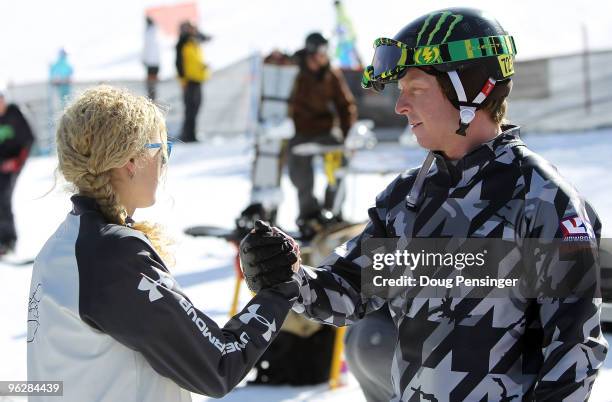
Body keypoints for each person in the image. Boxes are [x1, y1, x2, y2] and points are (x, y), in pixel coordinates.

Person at [240, 8, 608, 401]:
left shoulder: (542, 199)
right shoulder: (406, 199)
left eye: (415, 90)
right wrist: (287, 275)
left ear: (471, 89)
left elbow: (574, 352)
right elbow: (351, 292)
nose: (401, 106)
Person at [27, 85, 299, 401]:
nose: (163, 164)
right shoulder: (111, 256)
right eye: (162, 150)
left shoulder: (61, 247)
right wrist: (279, 289)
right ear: (130, 160)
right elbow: (219, 364)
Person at [288, 32, 357, 236]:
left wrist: (347, 135)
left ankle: (332, 211)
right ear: (311, 53)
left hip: (326, 130)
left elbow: (345, 104)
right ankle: (308, 215)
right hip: (300, 131)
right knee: (301, 175)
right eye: (320, 52)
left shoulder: (331, 73)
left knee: (338, 166)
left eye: (326, 51)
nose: (324, 56)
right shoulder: (295, 72)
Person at [0, 84, 34, 255]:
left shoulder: (14, 114)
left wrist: (16, 162)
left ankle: (9, 241)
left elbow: (29, 139)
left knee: (4, 199)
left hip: (13, 164)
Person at [175, 21, 211, 142]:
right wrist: (183, 80)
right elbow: (179, 64)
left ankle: (192, 134)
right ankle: (187, 135)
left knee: (196, 108)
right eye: (191, 28)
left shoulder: (194, 41)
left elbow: (204, 37)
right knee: (190, 109)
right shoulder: (183, 43)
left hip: (198, 79)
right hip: (189, 81)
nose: (194, 30)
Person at [143, 16, 161, 101]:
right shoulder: (156, 32)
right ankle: (153, 98)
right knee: (153, 83)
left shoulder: (149, 34)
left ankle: (151, 99)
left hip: (151, 62)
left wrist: (144, 59)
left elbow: (146, 48)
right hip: (156, 62)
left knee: (151, 83)